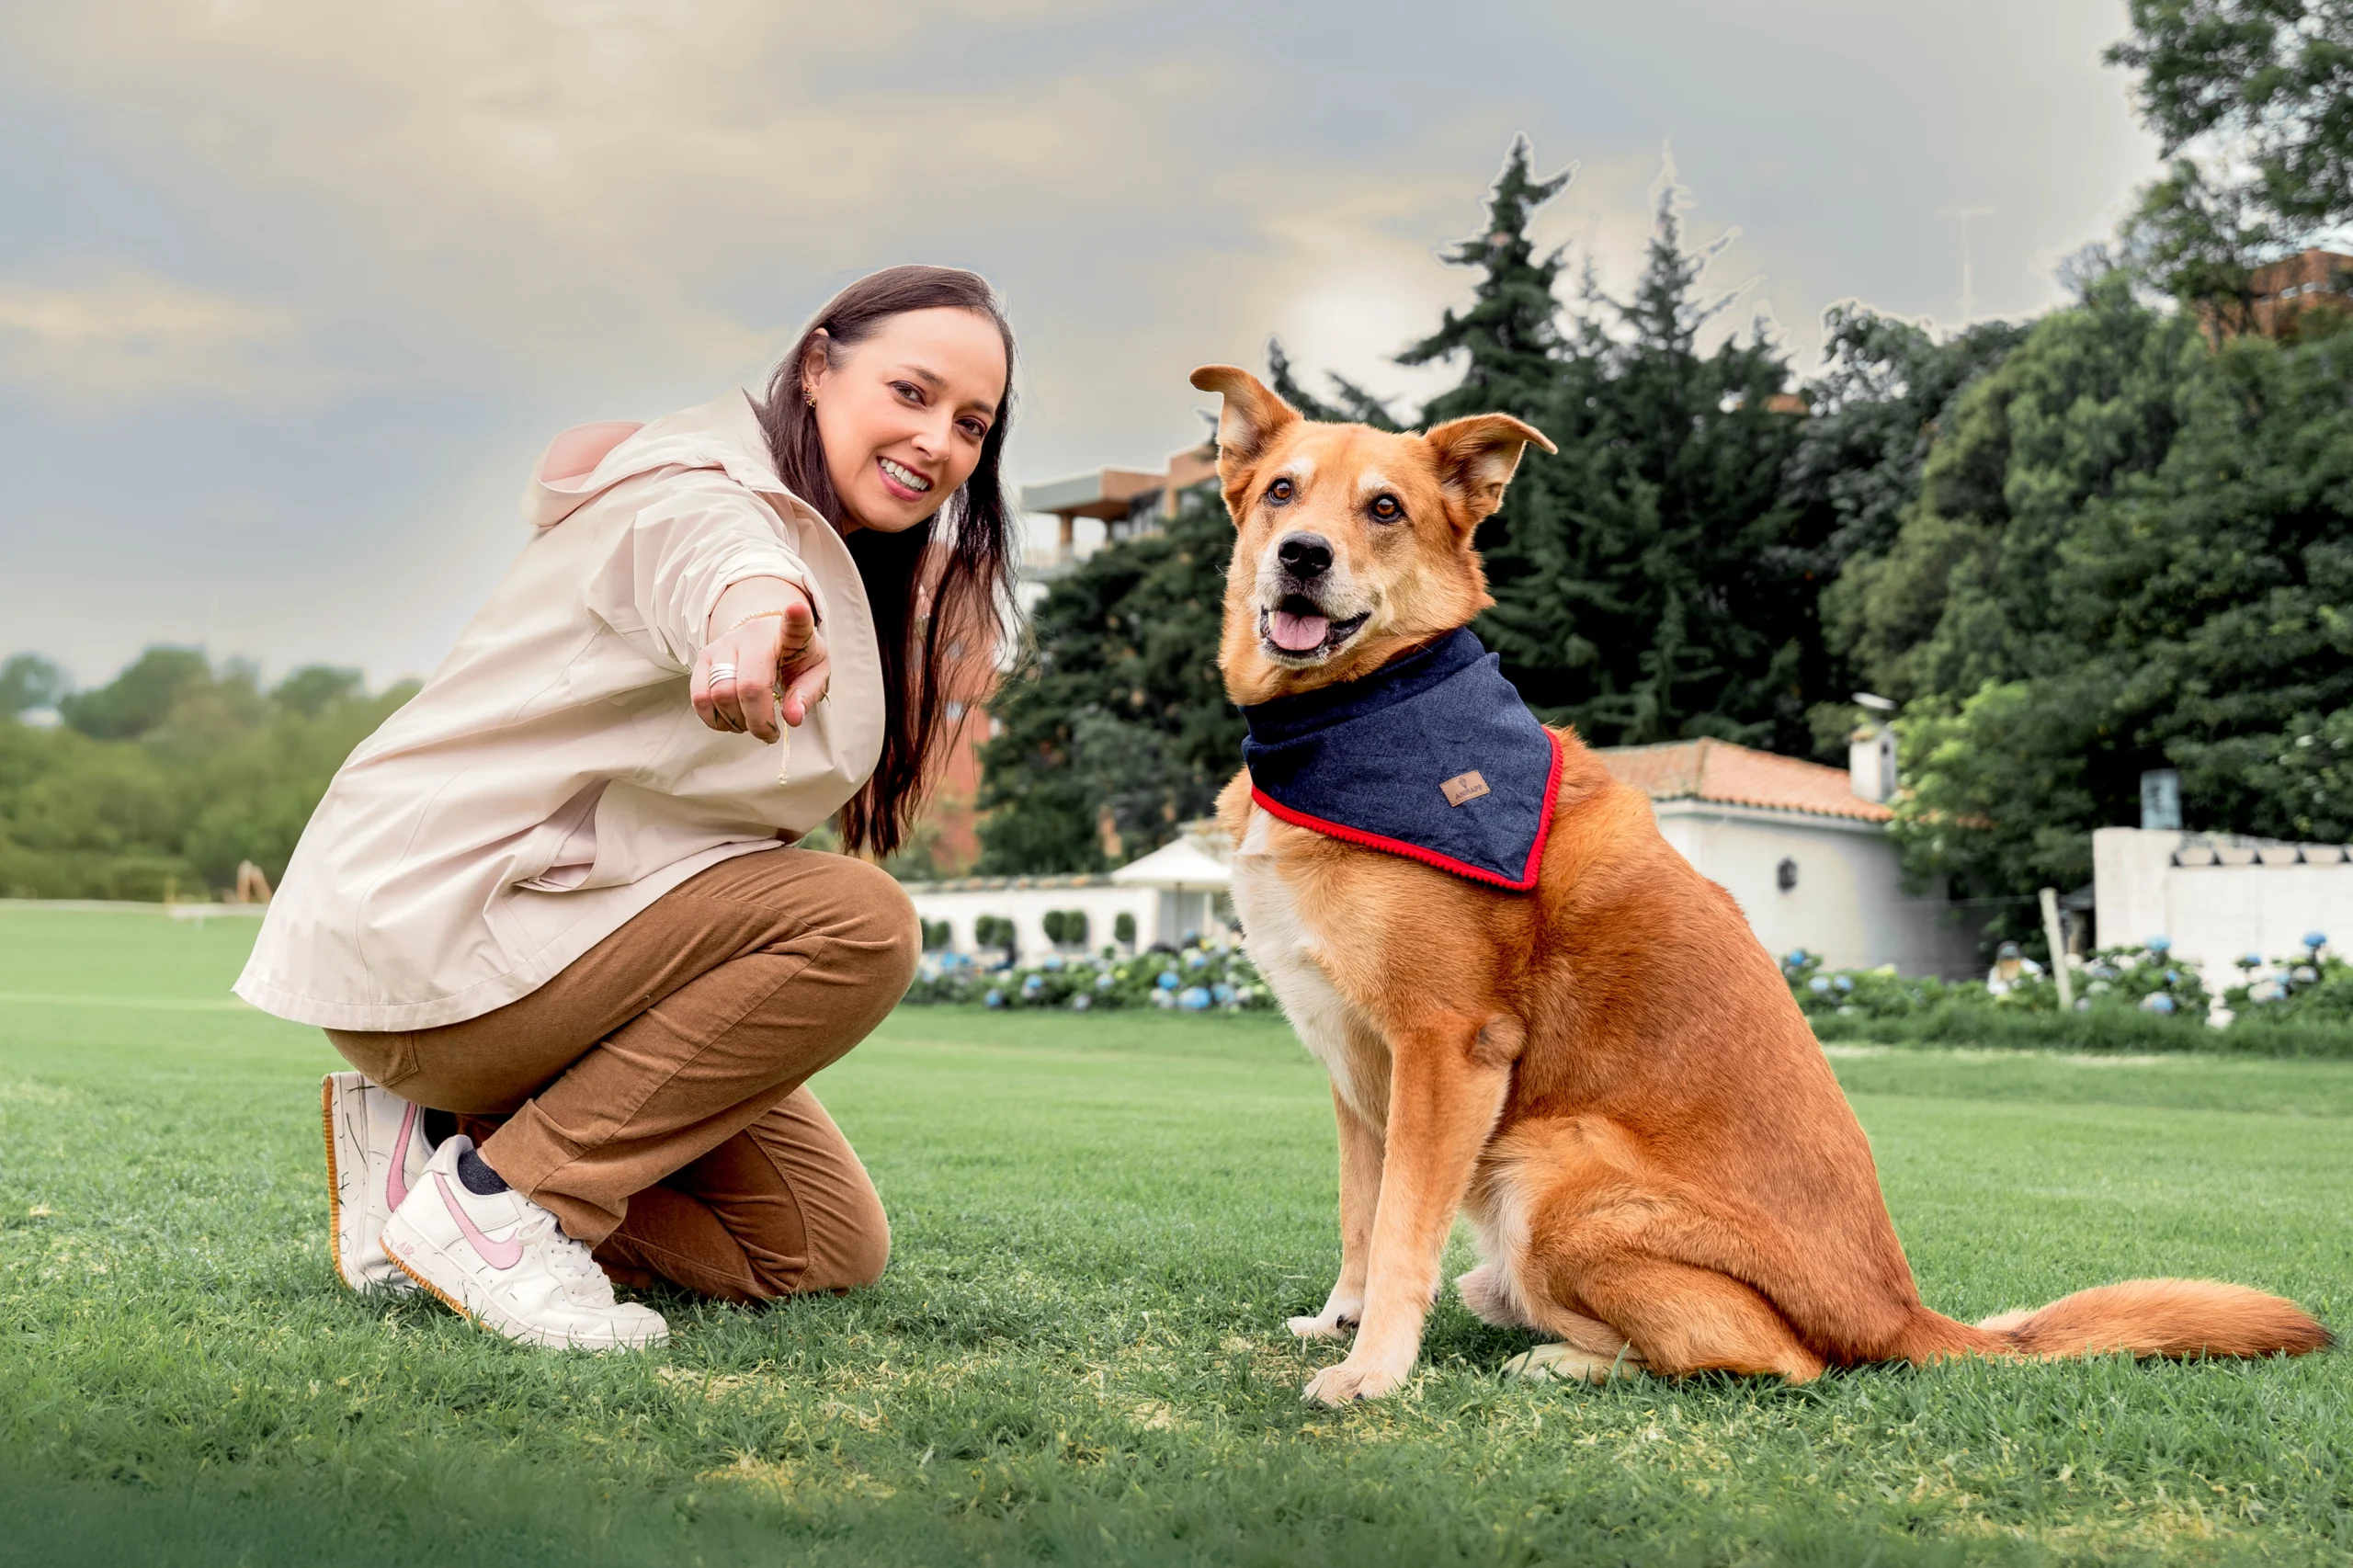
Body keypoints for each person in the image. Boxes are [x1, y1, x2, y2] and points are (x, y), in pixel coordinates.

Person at [237, 267, 1017, 1349]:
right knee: (857, 920)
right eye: (912, 392)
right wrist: (754, 607)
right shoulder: (702, 486)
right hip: (457, 937)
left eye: (971, 423)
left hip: (557, 943)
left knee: (817, 1245)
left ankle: (427, 1159)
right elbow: (709, 550)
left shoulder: (819, 537)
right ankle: (508, 1209)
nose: (938, 441)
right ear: (816, 366)